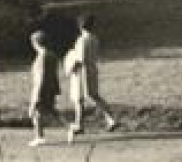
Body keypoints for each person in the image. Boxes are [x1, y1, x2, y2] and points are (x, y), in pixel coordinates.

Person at [65, 13, 120, 141]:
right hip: (92, 69)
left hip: (82, 71)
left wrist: (71, 66)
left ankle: (80, 124)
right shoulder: (94, 38)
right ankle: (110, 118)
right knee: (93, 95)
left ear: (80, 26)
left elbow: (81, 58)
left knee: (79, 98)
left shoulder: (82, 40)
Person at [28, 29, 59, 146]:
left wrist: (36, 94)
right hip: (50, 87)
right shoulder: (52, 54)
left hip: (41, 88)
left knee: (36, 112)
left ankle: (39, 136)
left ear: (35, 43)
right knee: (51, 110)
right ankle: (69, 126)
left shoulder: (42, 56)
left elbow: (41, 76)